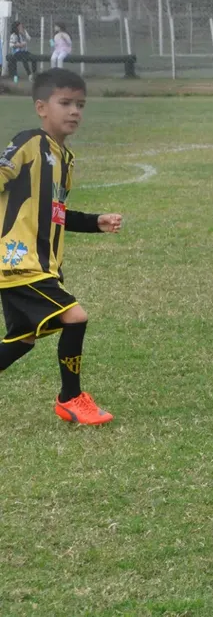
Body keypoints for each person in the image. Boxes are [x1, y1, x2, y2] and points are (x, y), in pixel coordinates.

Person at [1, 69, 123, 425]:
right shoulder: (30, 143)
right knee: (75, 317)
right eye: (65, 103)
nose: (74, 112)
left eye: (80, 105)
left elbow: (52, 213)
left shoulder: (63, 159)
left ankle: (70, 397)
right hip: (19, 261)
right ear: (41, 107)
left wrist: (94, 221)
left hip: (43, 262)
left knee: (21, 340)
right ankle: (70, 397)